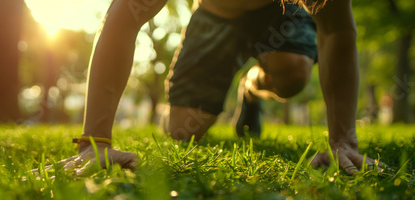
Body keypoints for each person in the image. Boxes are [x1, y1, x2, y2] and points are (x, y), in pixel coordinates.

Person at [67, 0, 380, 175]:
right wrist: (94, 142)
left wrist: (343, 140)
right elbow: (125, 14)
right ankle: (197, 102)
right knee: (183, 130)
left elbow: (337, 30)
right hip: (217, 13)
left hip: (282, 8)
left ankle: (252, 87)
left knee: (293, 76)